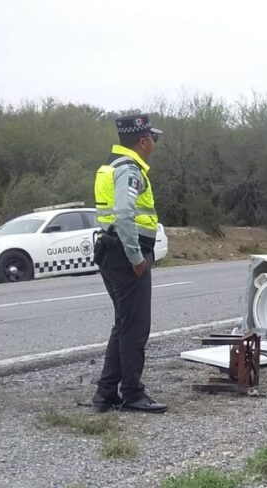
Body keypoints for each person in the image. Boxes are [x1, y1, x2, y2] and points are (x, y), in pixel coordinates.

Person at [90, 114, 167, 413]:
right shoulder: (129, 169)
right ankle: (133, 394)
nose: (154, 144)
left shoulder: (111, 166)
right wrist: (136, 257)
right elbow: (124, 214)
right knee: (135, 329)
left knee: (123, 324)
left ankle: (106, 393)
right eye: (153, 139)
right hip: (125, 255)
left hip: (111, 251)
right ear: (143, 141)